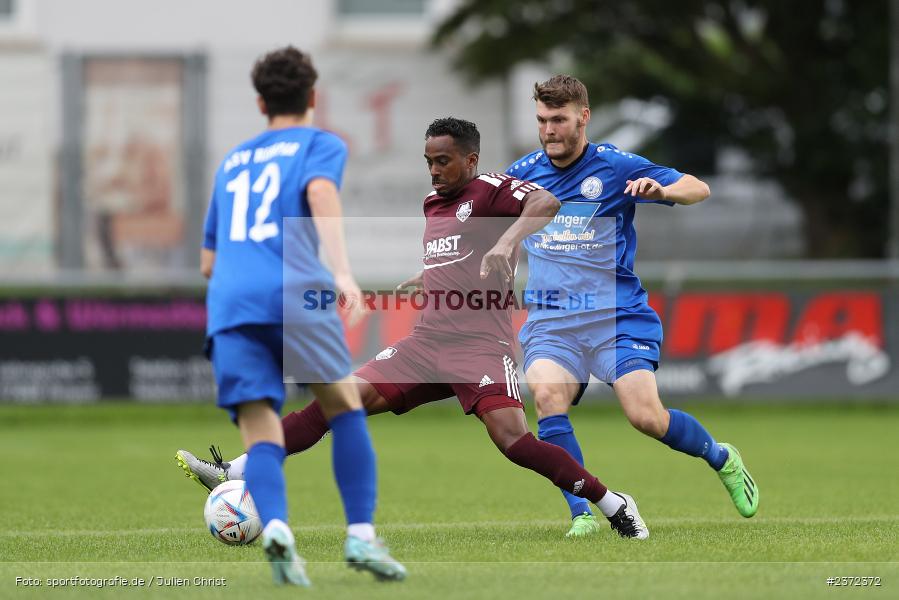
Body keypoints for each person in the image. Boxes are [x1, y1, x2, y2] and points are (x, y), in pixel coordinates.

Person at [178, 117, 651, 540]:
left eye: (443, 161)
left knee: (513, 441)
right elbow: (460, 250)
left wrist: (508, 240)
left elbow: (546, 202)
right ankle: (235, 470)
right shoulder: (432, 202)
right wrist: (432, 274)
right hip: (427, 343)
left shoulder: (490, 188)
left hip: (482, 345)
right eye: (428, 161)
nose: (434, 170)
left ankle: (615, 503)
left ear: (471, 159)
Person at [177, 46, 405, 586]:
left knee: (260, 431)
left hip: (231, 303)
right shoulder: (319, 142)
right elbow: (321, 190)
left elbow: (207, 261)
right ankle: (361, 537)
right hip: (295, 291)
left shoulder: (232, 161)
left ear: (259, 102)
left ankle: (277, 526)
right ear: (313, 96)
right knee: (344, 407)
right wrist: (344, 274)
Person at [505, 75, 758, 538]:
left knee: (646, 417)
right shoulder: (521, 175)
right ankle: (583, 513)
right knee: (545, 399)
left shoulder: (616, 167)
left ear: (583, 117)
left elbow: (697, 187)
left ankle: (721, 457)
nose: (549, 130)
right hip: (552, 322)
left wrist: (663, 193)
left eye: (559, 120)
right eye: (541, 120)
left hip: (615, 318)